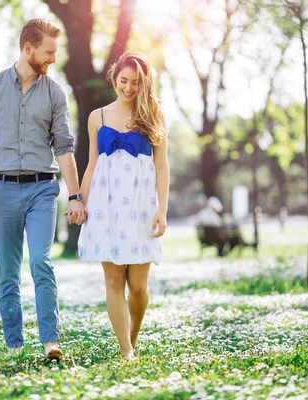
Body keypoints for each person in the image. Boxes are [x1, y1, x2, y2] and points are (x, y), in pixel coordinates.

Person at [0, 18, 86, 360]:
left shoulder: (55, 93)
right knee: (7, 272)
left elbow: (64, 147)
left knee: (42, 262)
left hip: (43, 188)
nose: (53, 59)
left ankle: (50, 342)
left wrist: (74, 196)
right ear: (27, 49)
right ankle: (14, 345)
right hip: (2, 190)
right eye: (48, 52)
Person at [75, 51, 170, 360]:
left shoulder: (153, 114)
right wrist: (79, 200)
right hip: (106, 207)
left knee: (138, 286)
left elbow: (162, 166)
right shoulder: (96, 117)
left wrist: (163, 209)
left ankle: (133, 332)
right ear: (114, 78)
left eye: (135, 82)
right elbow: (91, 166)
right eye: (123, 81)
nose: (128, 87)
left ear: (145, 83)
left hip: (141, 206)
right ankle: (126, 350)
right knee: (114, 281)